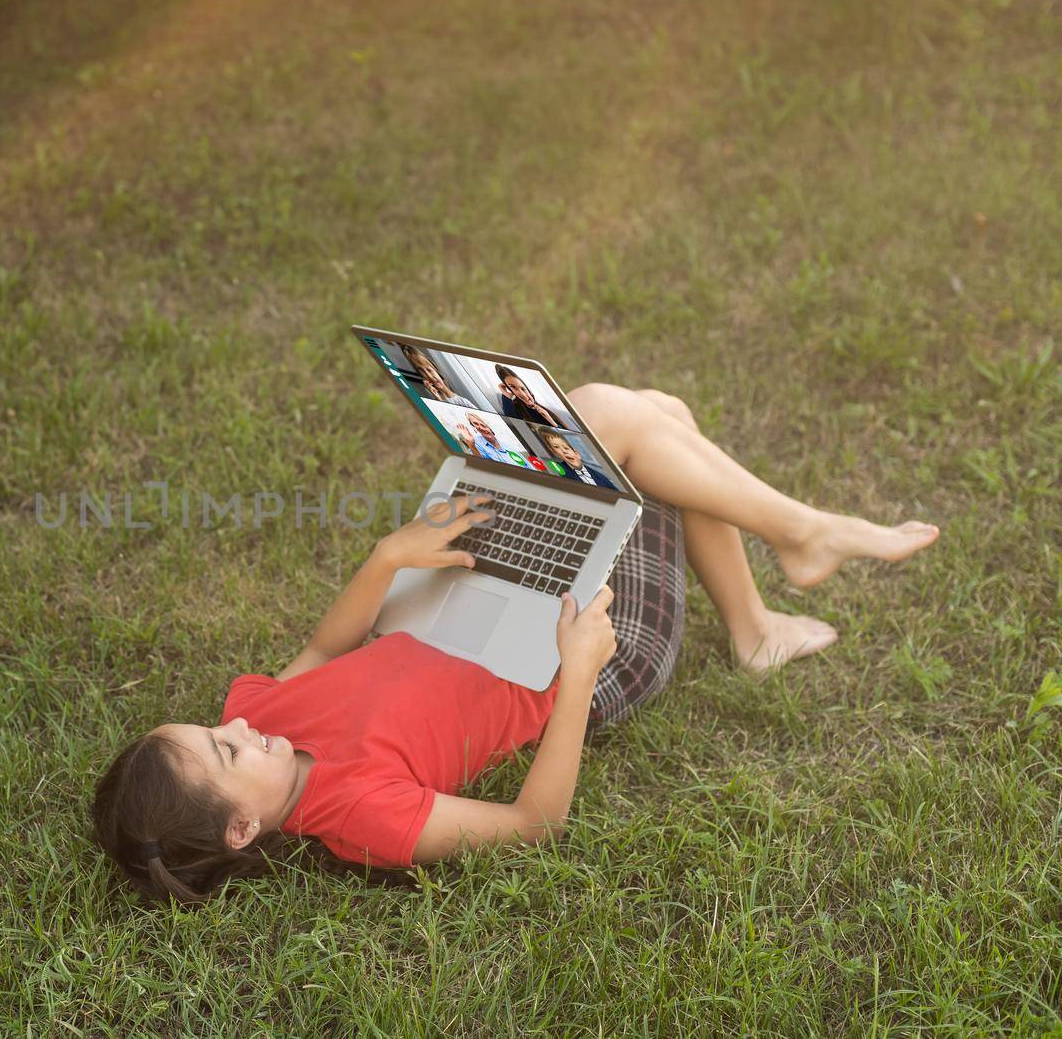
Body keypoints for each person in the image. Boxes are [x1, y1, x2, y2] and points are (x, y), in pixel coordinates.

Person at [92, 384, 940, 904]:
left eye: (216, 726)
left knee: (646, 418)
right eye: (226, 750)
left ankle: (758, 623)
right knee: (623, 425)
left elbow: (322, 649)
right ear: (243, 829)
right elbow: (535, 822)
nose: (238, 725)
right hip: (578, 663)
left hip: (477, 601)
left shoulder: (258, 712)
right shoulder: (359, 818)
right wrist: (576, 676)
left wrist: (392, 555)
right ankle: (805, 541)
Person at [403, 344, 478, 408]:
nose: (429, 376)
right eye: (422, 372)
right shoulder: (430, 400)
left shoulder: (463, 401)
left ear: (435, 369)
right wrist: (439, 399)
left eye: (429, 370)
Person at [540, 430, 618, 490]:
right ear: (555, 452)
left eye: (566, 448)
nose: (564, 451)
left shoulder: (599, 476)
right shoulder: (559, 467)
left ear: (577, 454)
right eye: (556, 447)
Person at [495, 365, 568, 428]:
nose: (522, 394)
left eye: (523, 389)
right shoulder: (513, 405)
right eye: (513, 387)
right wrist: (507, 394)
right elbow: (513, 421)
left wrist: (550, 420)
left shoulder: (540, 410)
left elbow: (566, 435)